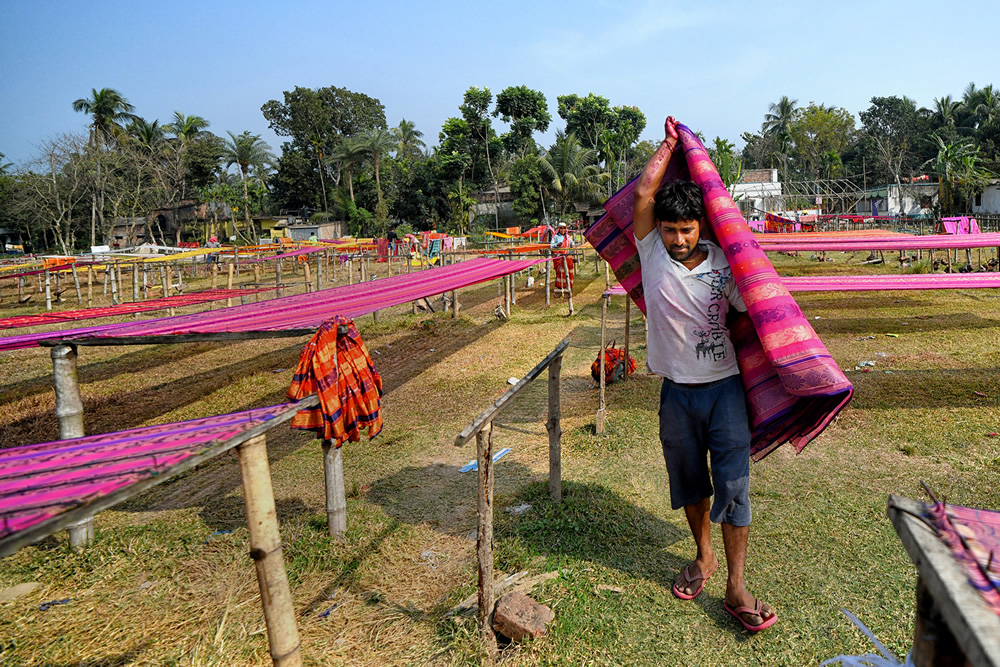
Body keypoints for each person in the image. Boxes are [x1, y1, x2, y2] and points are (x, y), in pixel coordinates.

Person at [632, 116, 777, 632]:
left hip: (725, 392)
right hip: (677, 394)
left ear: (702, 227)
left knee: (734, 485)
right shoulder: (651, 254)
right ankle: (703, 556)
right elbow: (647, 192)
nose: (675, 237)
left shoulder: (724, 264)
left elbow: (756, 306)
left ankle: (737, 585)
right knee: (690, 482)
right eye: (669, 229)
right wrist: (671, 146)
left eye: (685, 229)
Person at [550, 222, 575, 294]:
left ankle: (568, 285)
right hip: (558, 257)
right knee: (560, 271)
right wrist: (557, 244)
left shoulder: (568, 237)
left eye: (564, 228)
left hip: (567, 257)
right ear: (558, 229)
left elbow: (572, 243)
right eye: (561, 228)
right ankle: (560, 286)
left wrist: (573, 245)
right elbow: (551, 246)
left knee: (568, 271)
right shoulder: (555, 237)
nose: (563, 230)